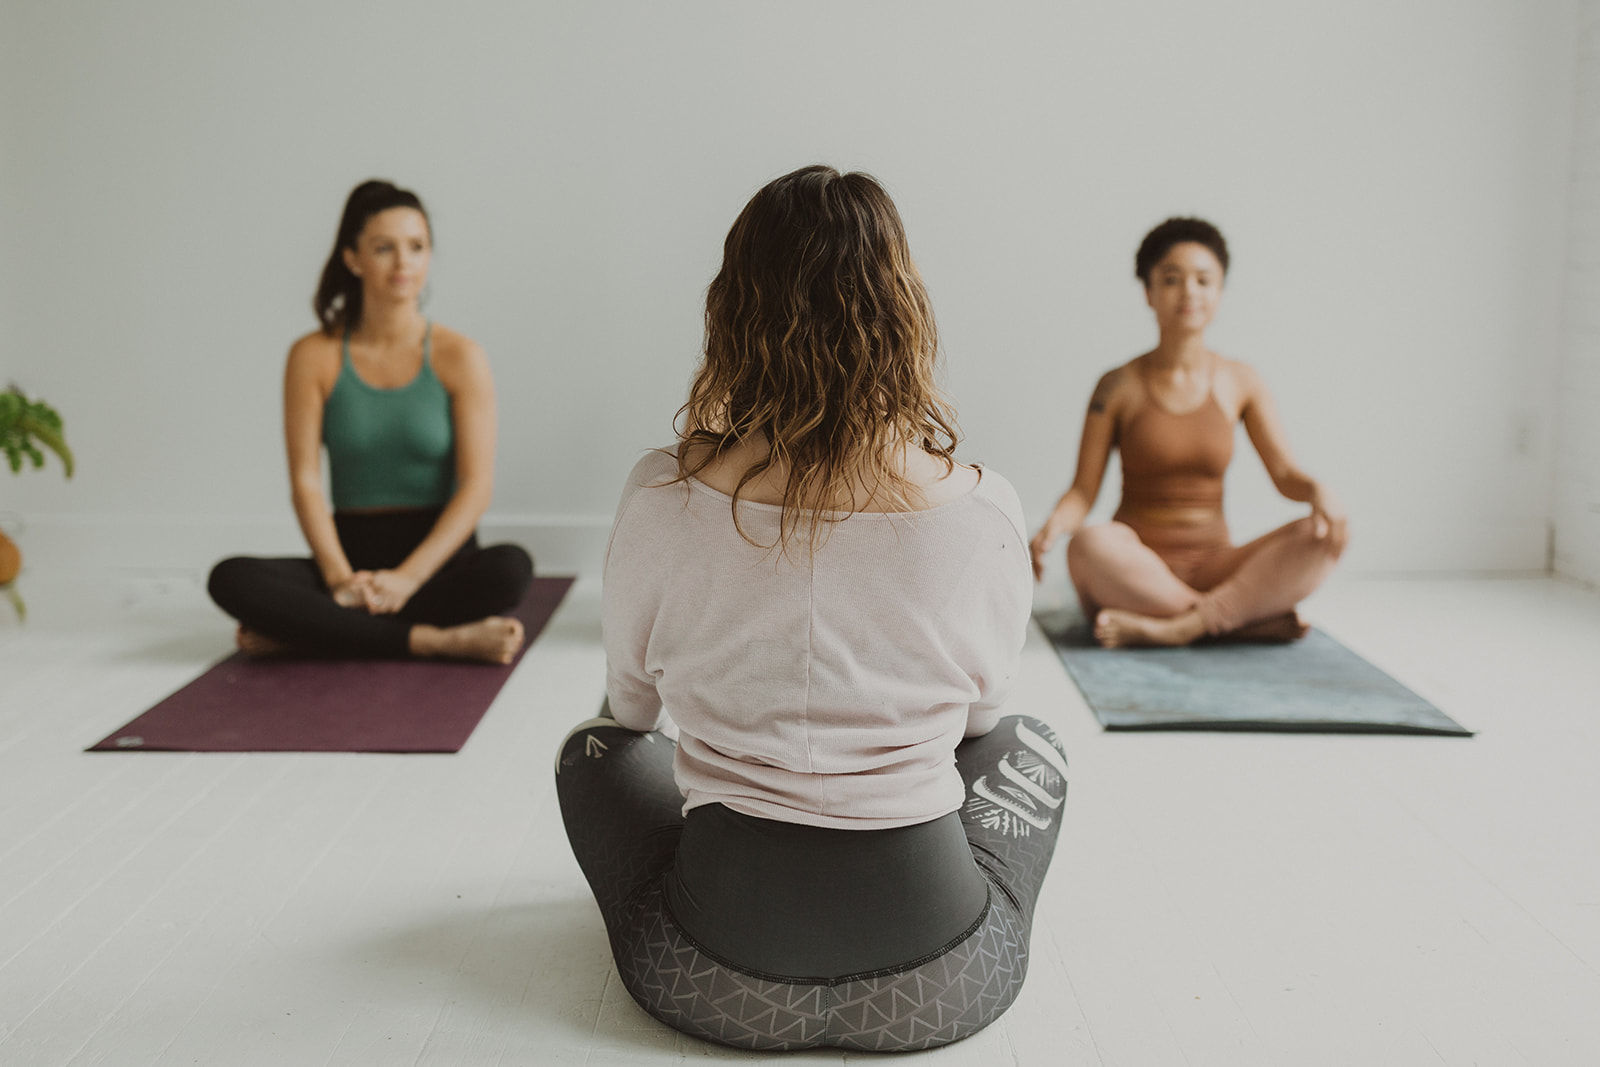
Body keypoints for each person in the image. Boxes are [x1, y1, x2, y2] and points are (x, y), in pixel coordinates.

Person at [555, 165, 1068, 1052]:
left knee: (590, 754)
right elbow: (979, 722)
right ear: (903, 311)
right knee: (1030, 743)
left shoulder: (659, 495)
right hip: (939, 982)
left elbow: (632, 713)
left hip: (713, 976)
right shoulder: (984, 510)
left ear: (734, 310)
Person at [207, 180, 532, 663]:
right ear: (353, 258)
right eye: (384, 248)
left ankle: (314, 632)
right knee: (230, 577)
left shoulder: (460, 356)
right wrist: (339, 579)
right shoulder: (312, 356)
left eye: (417, 247)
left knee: (511, 568)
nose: (404, 263)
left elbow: (476, 486)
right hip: (350, 560)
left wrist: (408, 579)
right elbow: (305, 481)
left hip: (437, 564)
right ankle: (434, 640)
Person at [1030, 217, 1348, 648]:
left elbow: (1284, 474)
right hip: (1137, 572)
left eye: (1204, 280)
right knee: (1088, 545)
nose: (1190, 292)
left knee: (1321, 532)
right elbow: (1083, 492)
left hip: (1220, 566)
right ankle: (1238, 619)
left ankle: (1181, 627)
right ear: (1149, 292)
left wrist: (1318, 491)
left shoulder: (1242, 380)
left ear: (1220, 292)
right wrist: (1053, 526)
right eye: (1172, 279)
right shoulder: (1117, 386)